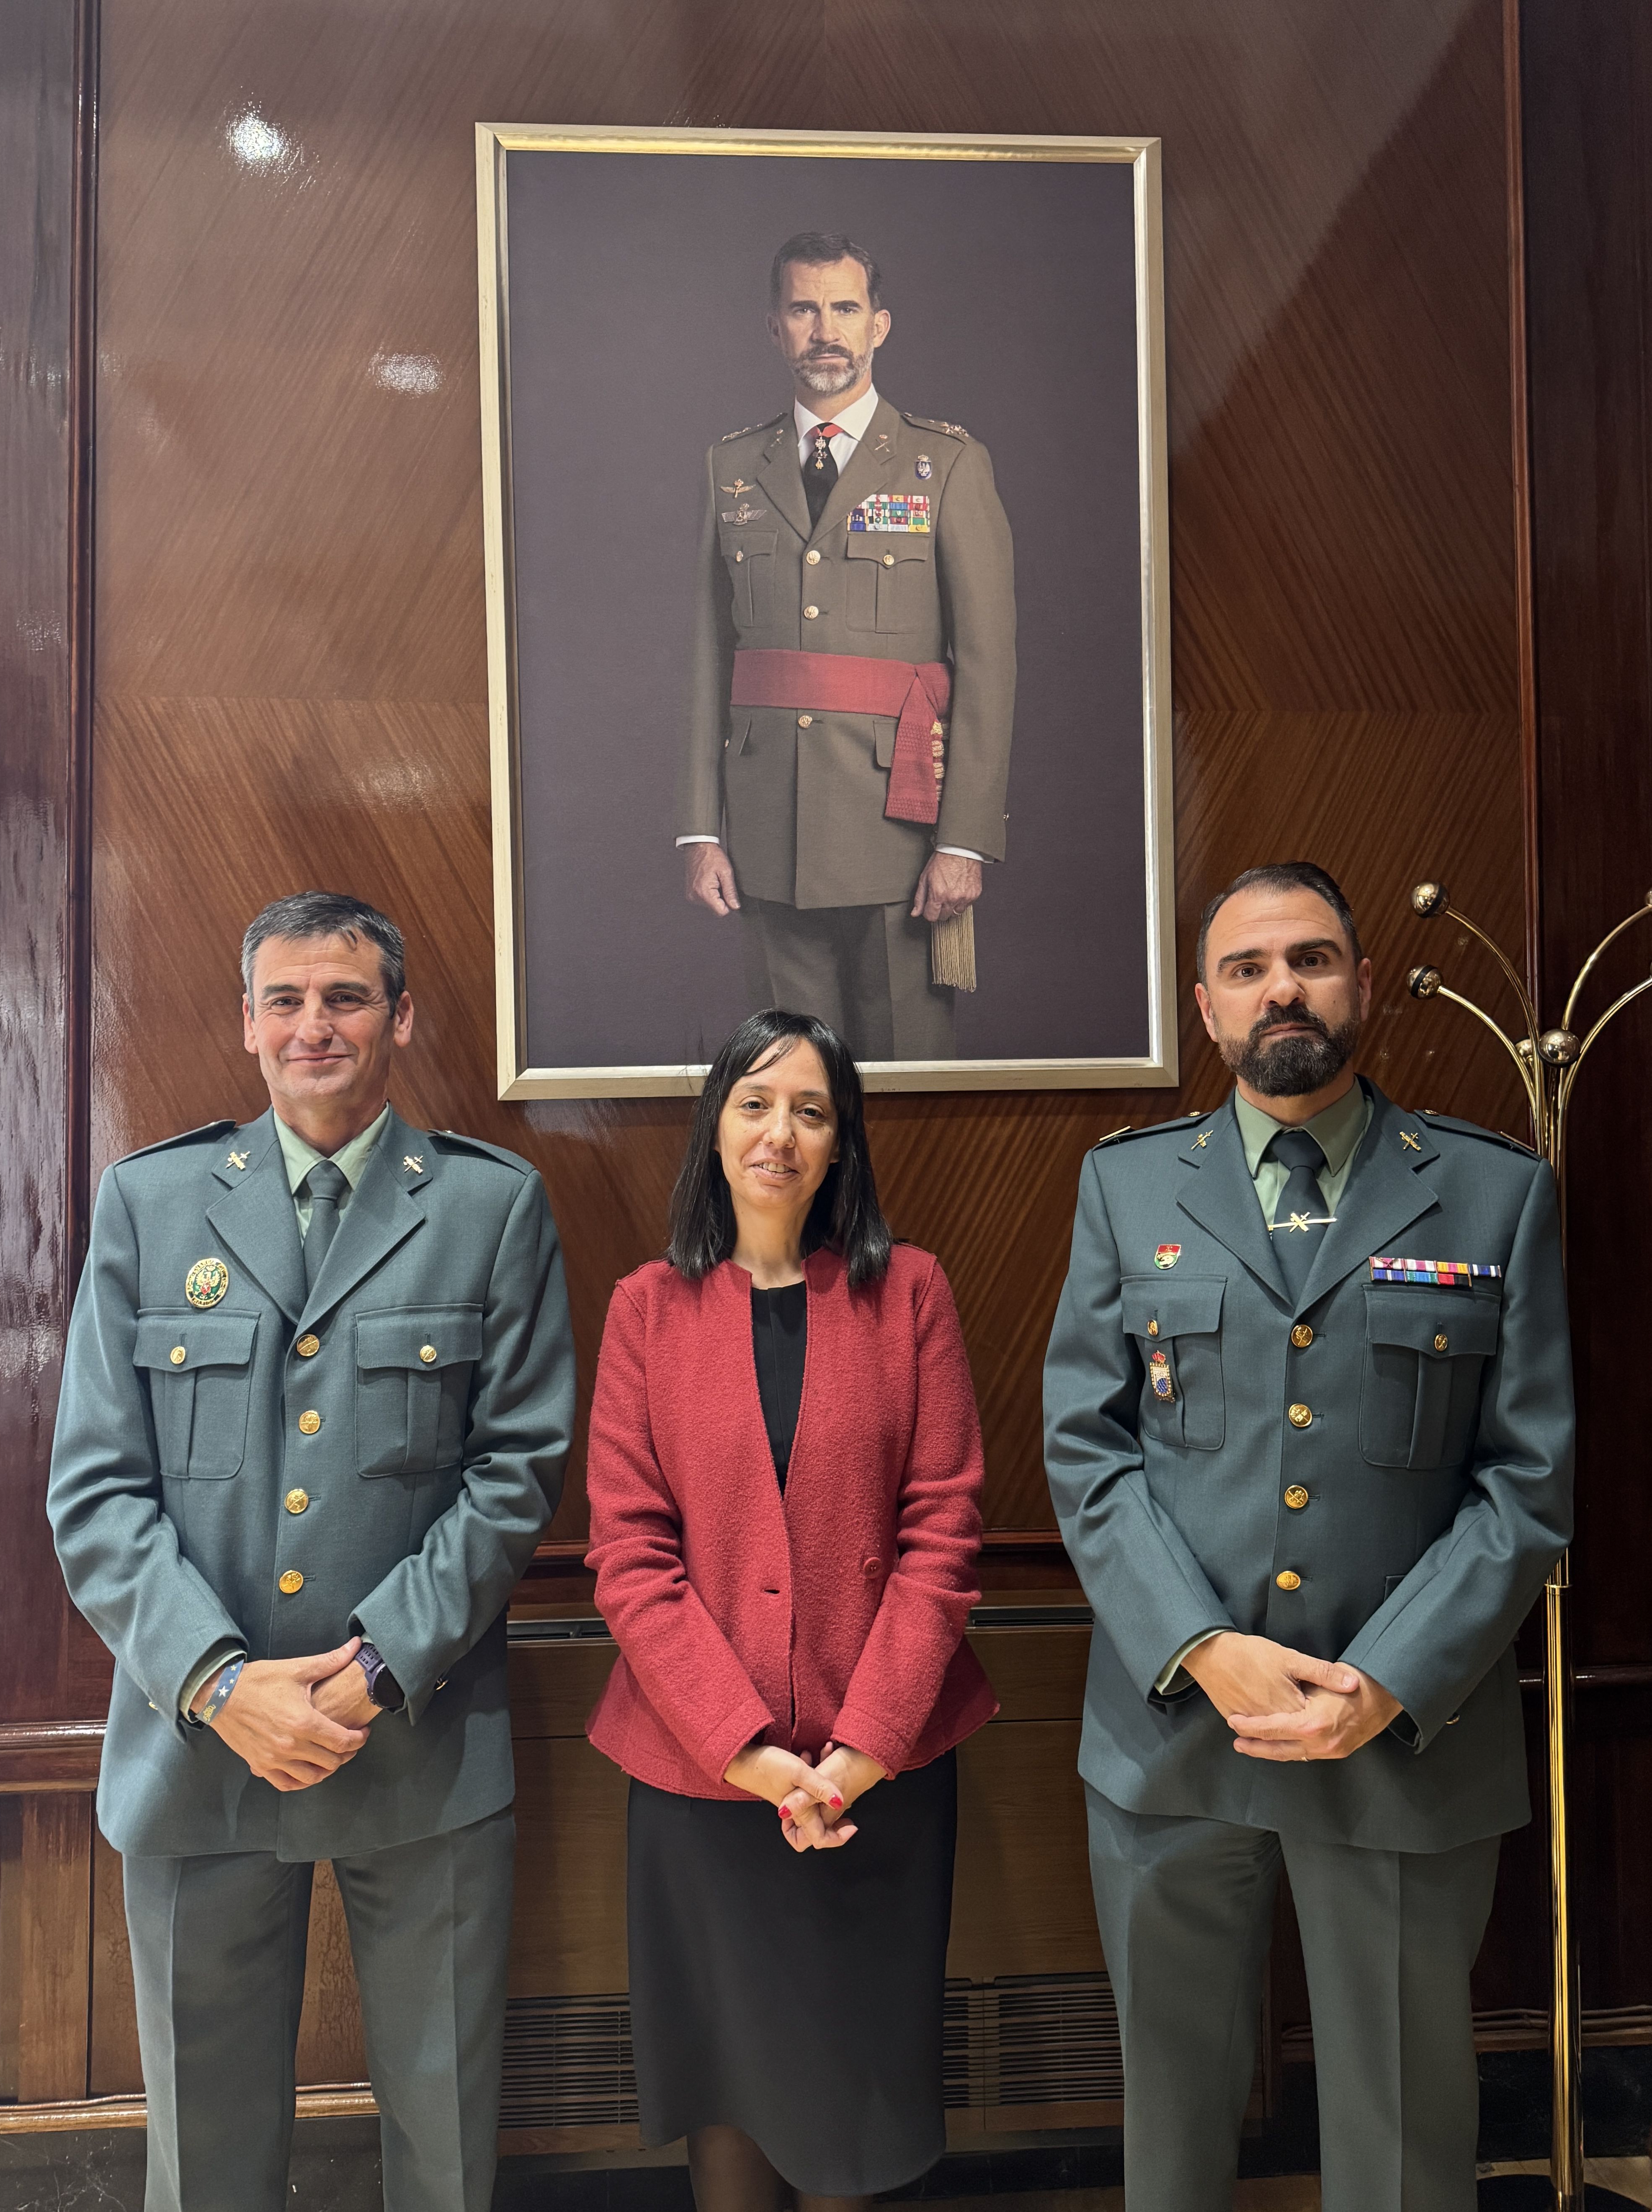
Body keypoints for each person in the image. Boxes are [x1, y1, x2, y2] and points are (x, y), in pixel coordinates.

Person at [1042, 861, 1574, 2212]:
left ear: (1360, 985)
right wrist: (1200, 1644)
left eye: (1311, 957)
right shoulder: (1128, 1188)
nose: (1281, 985)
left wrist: (1386, 1678)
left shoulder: (1489, 1191)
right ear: (1207, 1013)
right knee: (1168, 2127)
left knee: (1402, 2133)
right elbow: (1086, 1449)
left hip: (1402, 1736)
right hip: (1174, 1732)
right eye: (1245, 966)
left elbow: (1525, 1476)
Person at [46, 891, 575, 2212]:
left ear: (399, 1015)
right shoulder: (150, 1202)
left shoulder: (488, 1207)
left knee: (445, 2147)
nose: (312, 1025)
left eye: (343, 996)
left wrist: (379, 1664)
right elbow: (97, 1491)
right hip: (199, 1746)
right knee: (206, 2157)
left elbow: (516, 1473)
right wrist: (226, 1683)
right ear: (245, 1023)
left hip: (417, 1731)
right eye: (283, 999)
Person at [585, 1008, 997, 2207]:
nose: (781, 1131)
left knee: (853, 2096)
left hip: (883, 1777)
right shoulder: (646, 1309)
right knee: (729, 2089)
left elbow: (945, 1531)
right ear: (716, 1125)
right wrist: (750, 1753)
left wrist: (861, 1750)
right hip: (703, 1779)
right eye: (757, 1101)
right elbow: (630, 1554)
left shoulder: (910, 1291)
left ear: (841, 1146)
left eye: (812, 1110)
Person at [678, 231, 1016, 1062]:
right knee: (791, 1083)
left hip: (898, 830)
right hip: (767, 830)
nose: (823, 328)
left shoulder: (945, 464)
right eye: (802, 308)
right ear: (774, 328)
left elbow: (987, 664)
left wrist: (963, 839)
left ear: (879, 326)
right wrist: (698, 827)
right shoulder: (729, 467)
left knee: (907, 1076)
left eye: (843, 308)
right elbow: (703, 659)